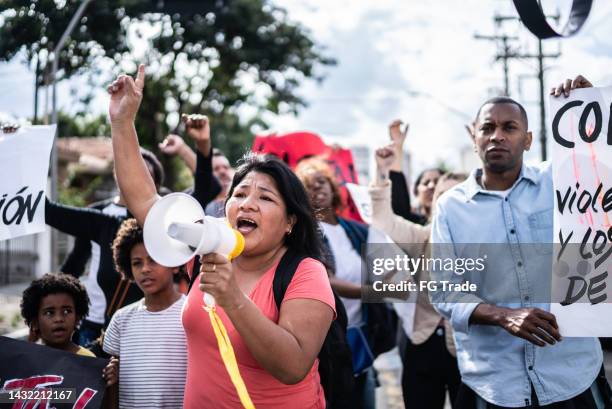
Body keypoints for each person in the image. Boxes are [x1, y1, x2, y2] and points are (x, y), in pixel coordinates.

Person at [107, 65, 336, 408]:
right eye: (240, 194)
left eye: (266, 198)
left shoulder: (305, 273)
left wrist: (233, 300)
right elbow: (146, 202)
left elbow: (293, 366)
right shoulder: (209, 245)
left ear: (290, 222)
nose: (248, 204)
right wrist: (122, 122)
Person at [430, 75, 610, 408]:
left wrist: (589, 106)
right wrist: (501, 315)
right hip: (493, 382)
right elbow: (443, 290)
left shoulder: (564, 183)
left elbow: (603, 170)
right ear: (475, 138)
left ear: (527, 140)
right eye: (487, 128)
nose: (497, 136)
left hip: (572, 374)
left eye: (509, 127)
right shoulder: (450, 208)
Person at [370, 145, 465, 409]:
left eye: (459, 197)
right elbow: (382, 218)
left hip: (468, 350)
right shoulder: (422, 236)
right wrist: (381, 170)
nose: (451, 205)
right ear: (434, 205)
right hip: (421, 344)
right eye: (443, 197)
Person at [296, 156, 384, 409]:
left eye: (321, 182)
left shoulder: (356, 230)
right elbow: (324, 280)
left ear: (333, 188)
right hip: (329, 339)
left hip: (362, 333)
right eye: (309, 186)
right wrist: (371, 292)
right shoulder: (305, 234)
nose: (317, 188)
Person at [102, 218, 187, 408]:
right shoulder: (122, 319)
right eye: (137, 263)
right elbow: (112, 378)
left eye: (153, 260)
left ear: (174, 262)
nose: (145, 269)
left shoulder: (191, 313)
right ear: (128, 268)